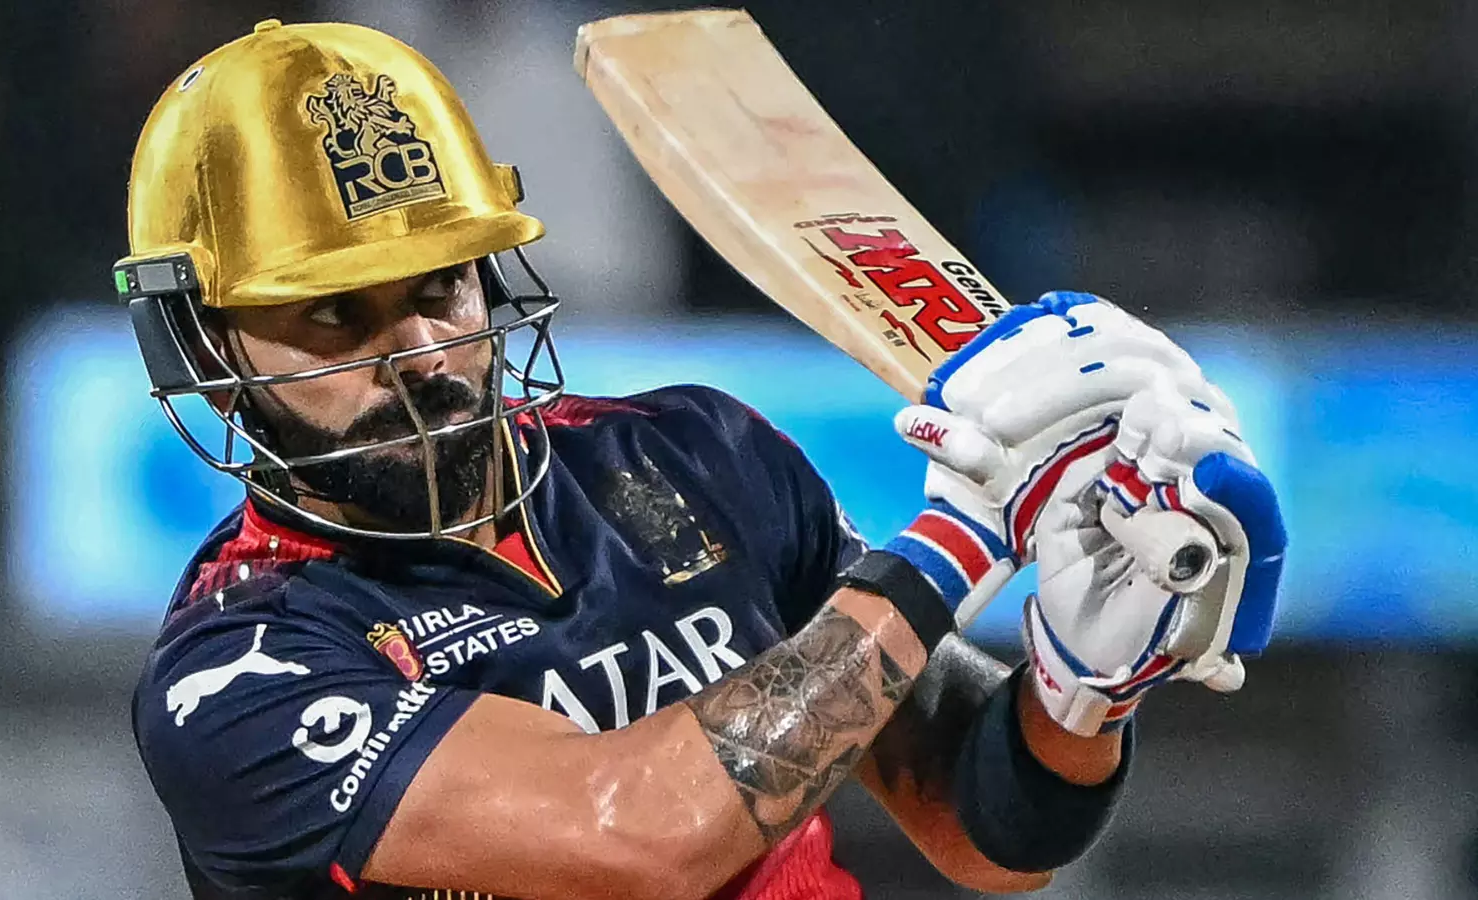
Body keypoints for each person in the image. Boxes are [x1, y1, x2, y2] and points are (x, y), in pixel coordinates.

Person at [121, 19, 1286, 900]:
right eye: (334, 316)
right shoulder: (238, 676)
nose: (418, 354)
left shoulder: (690, 456)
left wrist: (1082, 692)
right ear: (205, 348)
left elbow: (987, 835)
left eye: (440, 288)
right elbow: (642, 835)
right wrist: (965, 536)